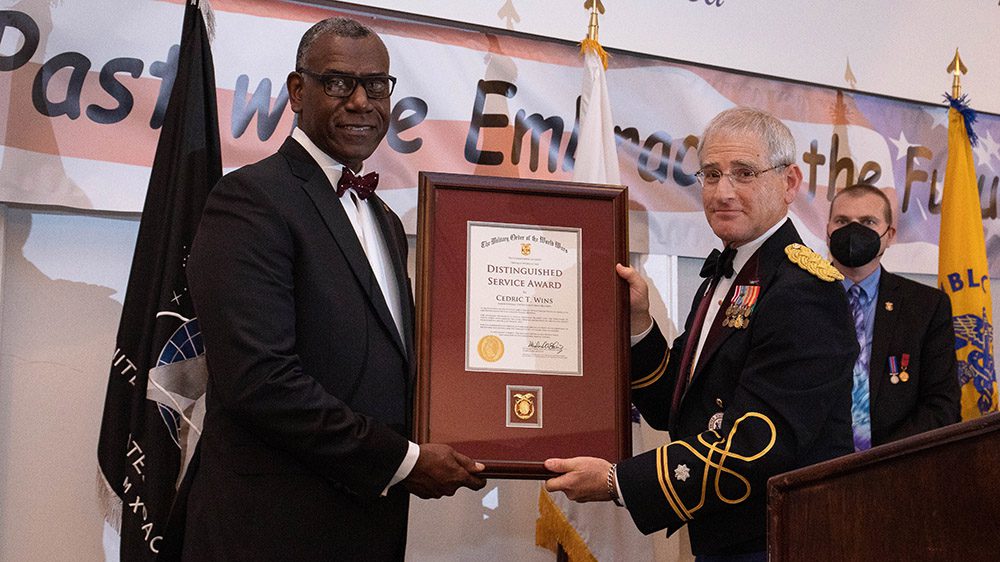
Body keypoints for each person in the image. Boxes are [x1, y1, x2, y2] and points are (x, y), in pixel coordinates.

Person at [182, 17, 485, 561]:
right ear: (298, 91)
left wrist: (495, 425)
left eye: (377, 85)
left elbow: (388, 366)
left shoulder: (385, 219)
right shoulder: (250, 200)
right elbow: (261, 381)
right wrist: (405, 462)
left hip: (369, 525)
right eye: (339, 83)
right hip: (271, 532)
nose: (361, 102)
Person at [544, 107, 859, 561]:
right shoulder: (729, 273)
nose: (722, 191)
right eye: (711, 174)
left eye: (744, 173)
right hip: (728, 534)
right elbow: (678, 404)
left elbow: (756, 445)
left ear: (789, 183)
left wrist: (618, 482)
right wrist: (639, 324)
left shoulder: (802, 289)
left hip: (780, 539)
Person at [826, 183, 960, 450]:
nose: (854, 231)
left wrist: (881, 461)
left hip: (896, 467)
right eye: (842, 221)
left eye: (868, 222)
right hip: (809, 469)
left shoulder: (926, 306)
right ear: (828, 231)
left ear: (890, 235)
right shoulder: (797, 297)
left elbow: (941, 406)